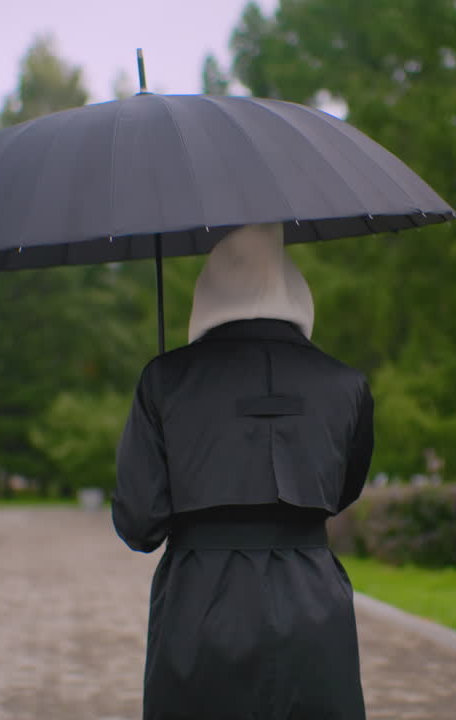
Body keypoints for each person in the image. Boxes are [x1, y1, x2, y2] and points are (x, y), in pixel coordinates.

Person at [113, 223, 375, 720]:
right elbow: (342, 491)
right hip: (313, 606)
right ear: (294, 286)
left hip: (200, 607)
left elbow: (139, 525)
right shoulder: (347, 384)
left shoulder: (165, 380)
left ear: (208, 290)